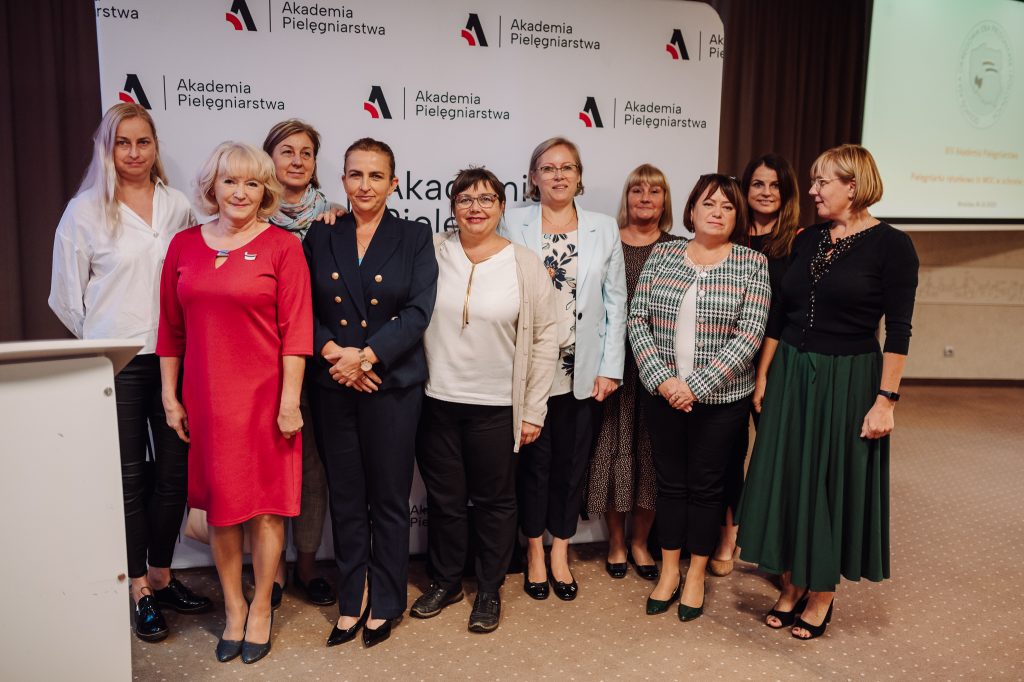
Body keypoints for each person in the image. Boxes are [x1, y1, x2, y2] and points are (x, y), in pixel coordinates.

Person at [736, 144, 919, 640]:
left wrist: (886, 400)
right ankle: (793, 581)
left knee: (830, 481)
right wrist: (764, 374)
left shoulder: (893, 246)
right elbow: (781, 313)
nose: (812, 191)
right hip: (792, 370)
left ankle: (821, 592)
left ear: (852, 187)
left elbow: (899, 330)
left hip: (849, 377)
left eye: (822, 182)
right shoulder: (809, 238)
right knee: (791, 476)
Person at [48, 102, 211, 644]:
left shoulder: (177, 205)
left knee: (174, 476)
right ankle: (138, 587)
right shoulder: (84, 211)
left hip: (174, 359)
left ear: (155, 146)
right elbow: (65, 298)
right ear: (107, 149)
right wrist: (107, 339)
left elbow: (191, 279)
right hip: (116, 364)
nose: (134, 153)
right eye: (123, 143)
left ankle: (162, 574)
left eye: (143, 142)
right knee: (129, 478)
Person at [157, 142, 312, 664]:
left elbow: (296, 333)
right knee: (221, 513)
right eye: (230, 181)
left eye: (251, 183)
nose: (240, 192)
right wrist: (170, 396)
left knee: (266, 510)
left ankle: (262, 605)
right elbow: (170, 329)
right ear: (212, 187)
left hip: (266, 401)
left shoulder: (282, 247)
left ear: (265, 190)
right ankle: (234, 607)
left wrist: (290, 401)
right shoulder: (183, 246)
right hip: (207, 400)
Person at [304, 138, 438, 648]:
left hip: (391, 384)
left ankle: (385, 598)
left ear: (394, 183)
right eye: (356, 175)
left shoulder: (414, 236)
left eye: (376, 176)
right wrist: (335, 354)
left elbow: (418, 311)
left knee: (388, 497)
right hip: (334, 382)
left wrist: (365, 358)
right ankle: (351, 596)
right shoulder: (322, 234)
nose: (365, 185)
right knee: (346, 495)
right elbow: (301, 306)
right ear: (342, 180)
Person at [411, 167, 558, 632]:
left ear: (501, 206)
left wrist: (533, 409)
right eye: (465, 199)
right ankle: (447, 581)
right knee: (445, 500)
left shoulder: (524, 263)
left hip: (497, 406)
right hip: (436, 400)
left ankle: (490, 588)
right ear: (452, 206)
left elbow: (546, 339)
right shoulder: (431, 250)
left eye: (486, 199)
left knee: (495, 501)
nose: (475, 208)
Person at [628, 174, 770, 622]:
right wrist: (664, 380)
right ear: (691, 210)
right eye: (709, 204)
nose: (717, 212)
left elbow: (749, 336)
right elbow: (638, 319)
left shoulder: (752, 263)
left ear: (737, 217)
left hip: (722, 401)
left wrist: (697, 386)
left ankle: (696, 575)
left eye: (727, 207)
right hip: (663, 394)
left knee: (708, 489)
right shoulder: (664, 254)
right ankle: (670, 570)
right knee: (670, 484)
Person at [504, 137, 627, 602]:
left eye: (567, 167)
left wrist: (610, 368)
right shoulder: (512, 221)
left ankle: (561, 549)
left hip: (583, 367)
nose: (558, 175)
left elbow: (616, 301)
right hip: (531, 366)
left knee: (571, 465)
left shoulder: (603, 227)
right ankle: (534, 549)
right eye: (548, 167)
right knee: (534, 465)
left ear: (579, 176)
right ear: (533, 177)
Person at [585, 164, 681, 581]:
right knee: (613, 451)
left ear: (665, 200)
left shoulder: (678, 249)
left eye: (654, 191)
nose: (645, 198)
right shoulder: (608, 242)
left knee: (651, 456)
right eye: (637, 190)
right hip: (615, 369)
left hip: (660, 370)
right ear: (626, 198)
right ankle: (617, 542)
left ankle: (641, 542)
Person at [709, 153, 801, 577]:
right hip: (726, 363)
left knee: (777, 455)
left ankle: (780, 546)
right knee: (729, 455)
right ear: (744, 190)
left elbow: (789, 310)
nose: (765, 192)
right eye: (757, 184)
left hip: (777, 362)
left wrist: (766, 371)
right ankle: (727, 538)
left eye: (774, 185)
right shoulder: (727, 234)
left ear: (787, 192)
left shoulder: (800, 241)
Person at [261, 119, 336, 607]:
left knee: (313, 469)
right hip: (264, 360)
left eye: (306, 153)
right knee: (267, 466)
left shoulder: (334, 220)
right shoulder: (249, 217)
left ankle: (306, 565)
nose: (297, 161)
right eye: (286, 151)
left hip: (320, 361)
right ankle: (272, 568)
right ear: (269, 158)